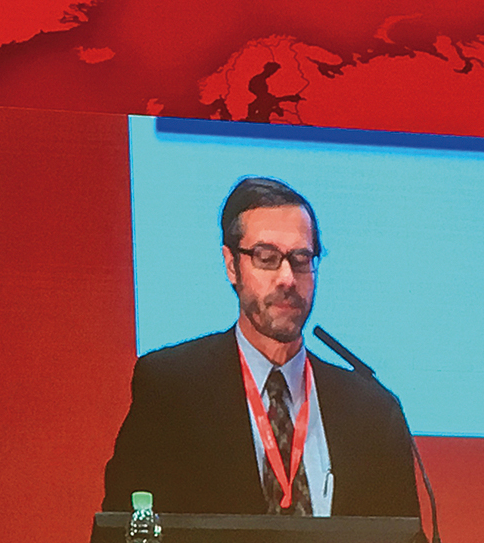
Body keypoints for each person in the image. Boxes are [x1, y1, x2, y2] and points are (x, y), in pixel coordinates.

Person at [101, 177, 420, 519]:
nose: (287, 278)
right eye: (267, 258)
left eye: (301, 259)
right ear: (231, 266)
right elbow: (122, 536)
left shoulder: (372, 411)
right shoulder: (172, 391)